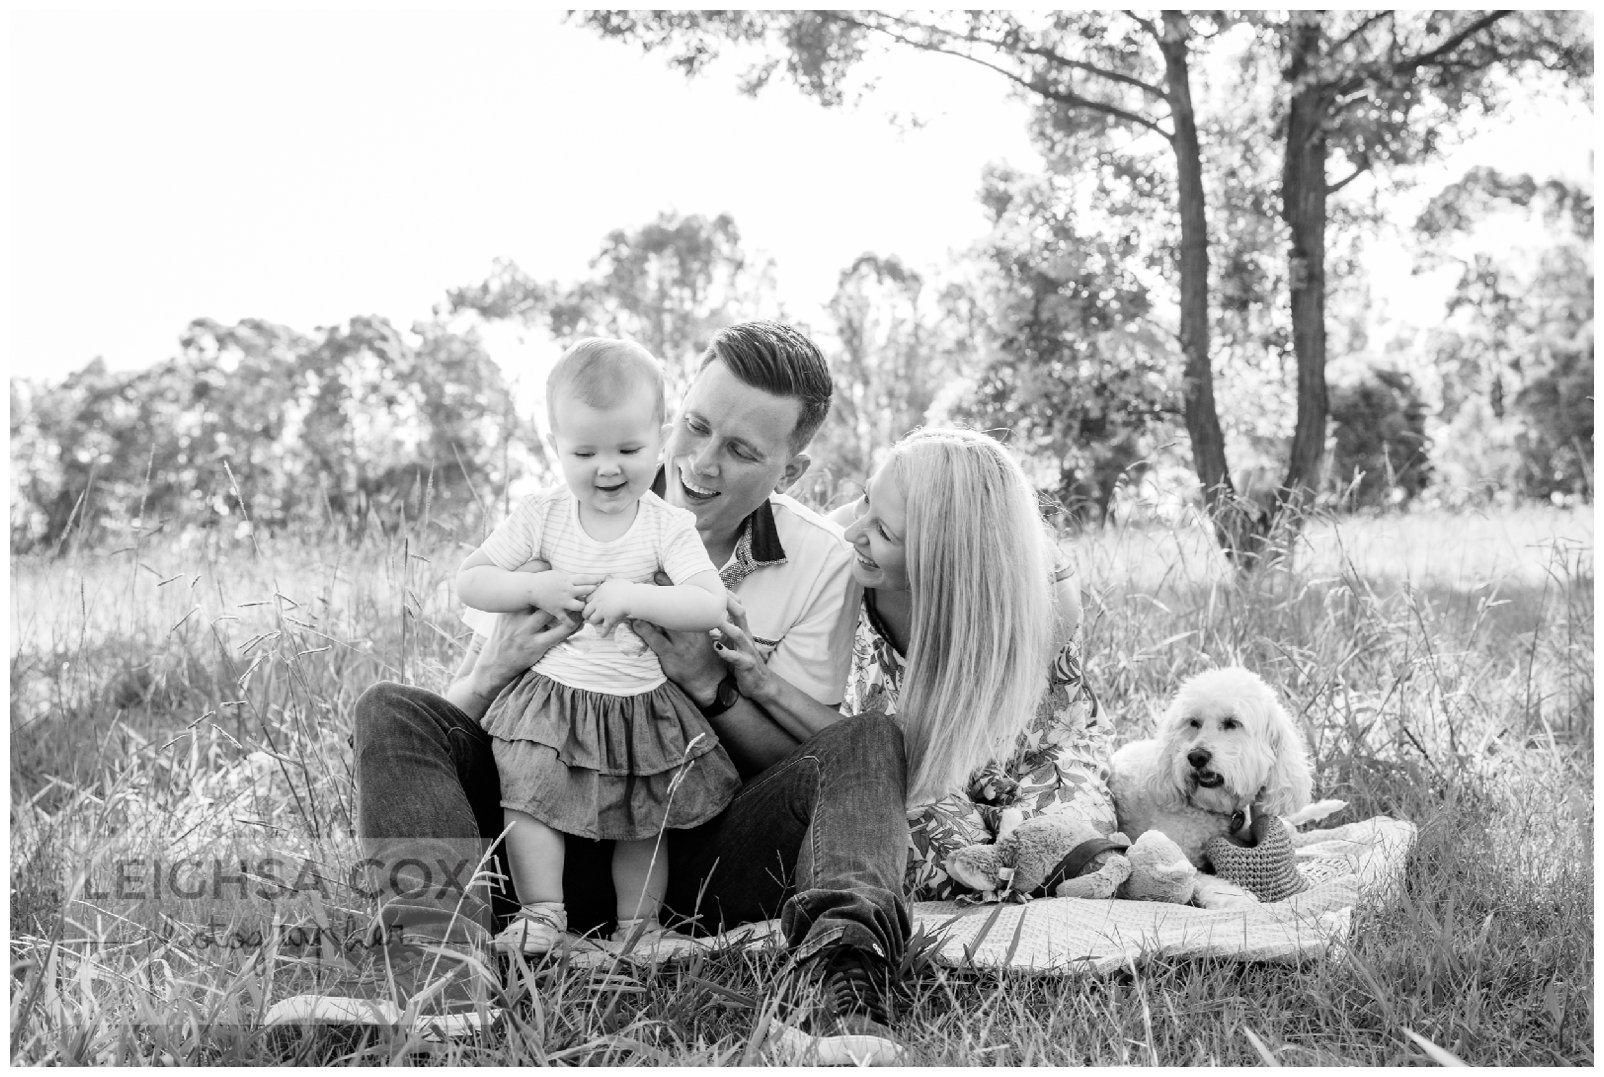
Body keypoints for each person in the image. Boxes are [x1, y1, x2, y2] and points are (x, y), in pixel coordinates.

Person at [269, 322, 908, 1063]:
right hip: (534, 829)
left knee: (869, 737)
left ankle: (839, 998)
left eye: (740, 451)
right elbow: (465, 716)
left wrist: (708, 683)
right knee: (391, 706)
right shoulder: (565, 511)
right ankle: (443, 983)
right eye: (695, 428)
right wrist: (490, 669)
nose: (700, 464)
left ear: (788, 471)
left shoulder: (818, 562)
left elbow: (803, 766)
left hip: (690, 854)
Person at [713, 426, 1116, 908]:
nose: (851, 532)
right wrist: (765, 685)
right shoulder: (837, 558)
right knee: (925, 854)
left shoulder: (1045, 599)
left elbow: (960, 742)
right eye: (865, 502)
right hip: (913, 766)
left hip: (1034, 753)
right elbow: (868, 753)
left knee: (1067, 843)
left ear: (946, 561)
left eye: (884, 532)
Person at [454, 337, 740, 955]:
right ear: (555, 445)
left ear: (661, 439)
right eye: (584, 451)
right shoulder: (543, 515)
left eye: (628, 450)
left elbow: (707, 601)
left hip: (640, 699)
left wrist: (634, 598)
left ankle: (640, 928)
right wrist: (536, 585)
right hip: (554, 697)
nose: (607, 468)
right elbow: (470, 581)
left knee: (645, 819)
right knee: (529, 796)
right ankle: (543, 914)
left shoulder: (666, 525)